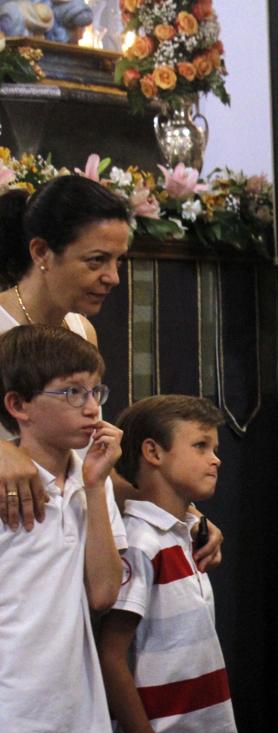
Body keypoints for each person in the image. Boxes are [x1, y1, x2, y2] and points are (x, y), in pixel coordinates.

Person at [0, 175, 223, 567]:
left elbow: (91, 471)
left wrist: (179, 513)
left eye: (118, 261)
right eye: (96, 260)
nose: (113, 277)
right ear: (42, 252)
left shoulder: (81, 331)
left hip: (74, 551)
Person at [97, 395, 238, 733]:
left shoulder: (185, 536)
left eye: (215, 446)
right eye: (200, 445)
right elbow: (111, 653)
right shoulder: (141, 543)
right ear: (153, 452)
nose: (215, 457)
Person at [0, 325, 123, 733]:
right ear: (19, 406)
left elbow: (103, 591)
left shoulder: (86, 481)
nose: (91, 407)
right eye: (70, 392)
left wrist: (96, 489)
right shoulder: (8, 485)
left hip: (66, 712)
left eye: (96, 390)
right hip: (12, 717)